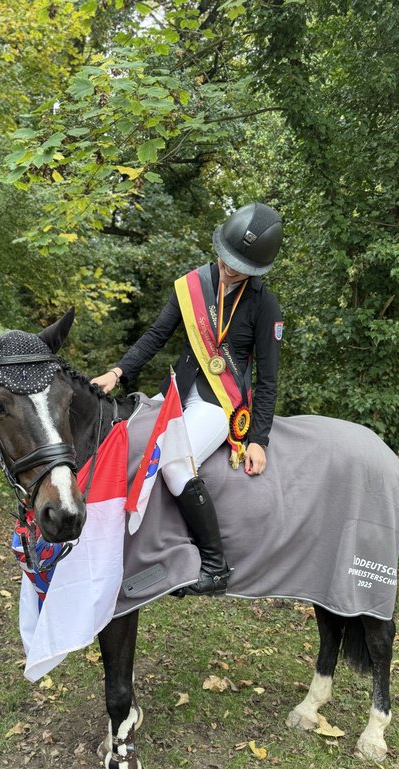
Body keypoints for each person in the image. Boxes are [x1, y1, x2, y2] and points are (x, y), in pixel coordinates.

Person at [91, 202, 285, 595]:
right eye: (227, 259)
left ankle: (214, 565)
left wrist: (258, 440)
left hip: (221, 404)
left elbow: (268, 377)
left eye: (240, 267)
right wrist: (117, 372)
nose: (229, 270)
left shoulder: (265, 305)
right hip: (177, 392)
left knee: (174, 466)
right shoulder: (192, 286)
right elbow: (155, 336)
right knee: (133, 448)